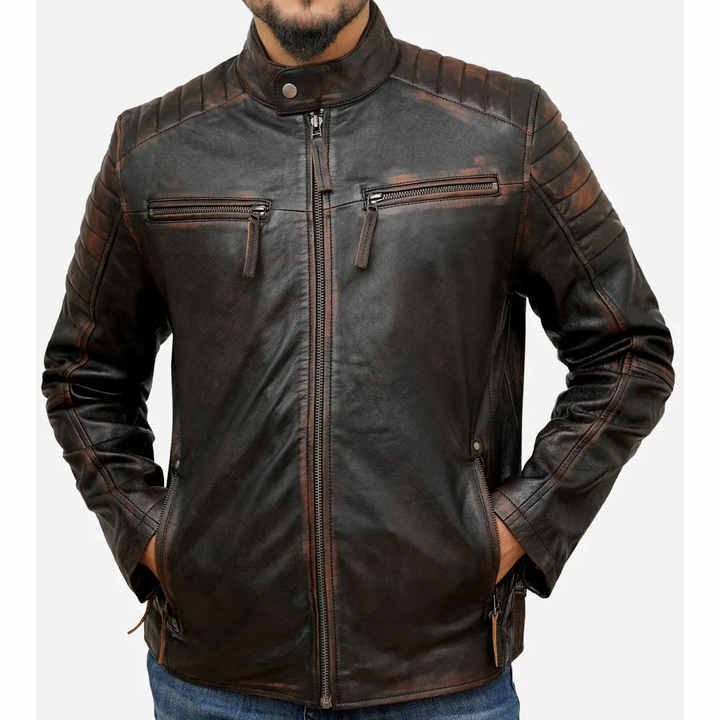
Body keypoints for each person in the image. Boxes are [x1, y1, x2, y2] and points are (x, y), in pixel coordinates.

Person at [40, 1, 675, 718]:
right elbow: (83, 376)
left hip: (441, 677)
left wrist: (515, 527)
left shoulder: (506, 127)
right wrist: (156, 537)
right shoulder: (151, 148)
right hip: (214, 678)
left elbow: (627, 349)